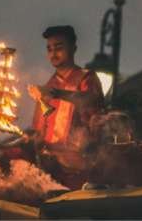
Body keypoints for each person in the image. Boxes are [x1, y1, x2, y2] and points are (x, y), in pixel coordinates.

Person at [26, 25, 105, 189]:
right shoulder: (48, 86)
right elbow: (38, 132)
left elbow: (90, 101)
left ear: (73, 48)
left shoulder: (86, 78)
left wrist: (55, 93)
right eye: (49, 49)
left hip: (81, 168)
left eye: (59, 48)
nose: (53, 54)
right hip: (51, 170)